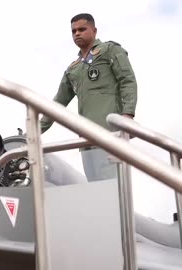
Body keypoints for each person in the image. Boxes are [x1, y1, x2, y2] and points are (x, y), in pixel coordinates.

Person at [40, 13, 137, 182]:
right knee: (95, 189)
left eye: (82, 29)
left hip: (110, 135)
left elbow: (127, 81)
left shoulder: (109, 51)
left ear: (94, 30)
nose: (77, 33)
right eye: (73, 31)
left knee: (113, 187)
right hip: (86, 142)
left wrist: (127, 115)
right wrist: (33, 132)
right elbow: (57, 104)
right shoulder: (73, 69)